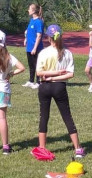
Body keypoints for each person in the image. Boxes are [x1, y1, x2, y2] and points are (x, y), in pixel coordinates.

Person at [35, 24, 85, 158]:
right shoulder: (67, 53)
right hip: (59, 87)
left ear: (48, 37)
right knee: (67, 116)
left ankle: (42, 148)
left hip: (44, 87)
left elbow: (39, 72)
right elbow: (70, 74)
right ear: (61, 36)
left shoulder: (44, 53)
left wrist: (50, 76)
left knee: (44, 116)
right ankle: (78, 148)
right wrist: (56, 76)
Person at [22, 3, 44, 89]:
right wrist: (26, 39)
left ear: (34, 11)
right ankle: (31, 81)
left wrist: (35, 48)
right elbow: (28, 31)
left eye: (29, 9)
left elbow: (39, 36)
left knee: (37, 65)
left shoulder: (38, 22)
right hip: (29, 47)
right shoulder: (32, 20)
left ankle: (38, 82)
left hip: (36, 48)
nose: (28, 10)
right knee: (31, 65)